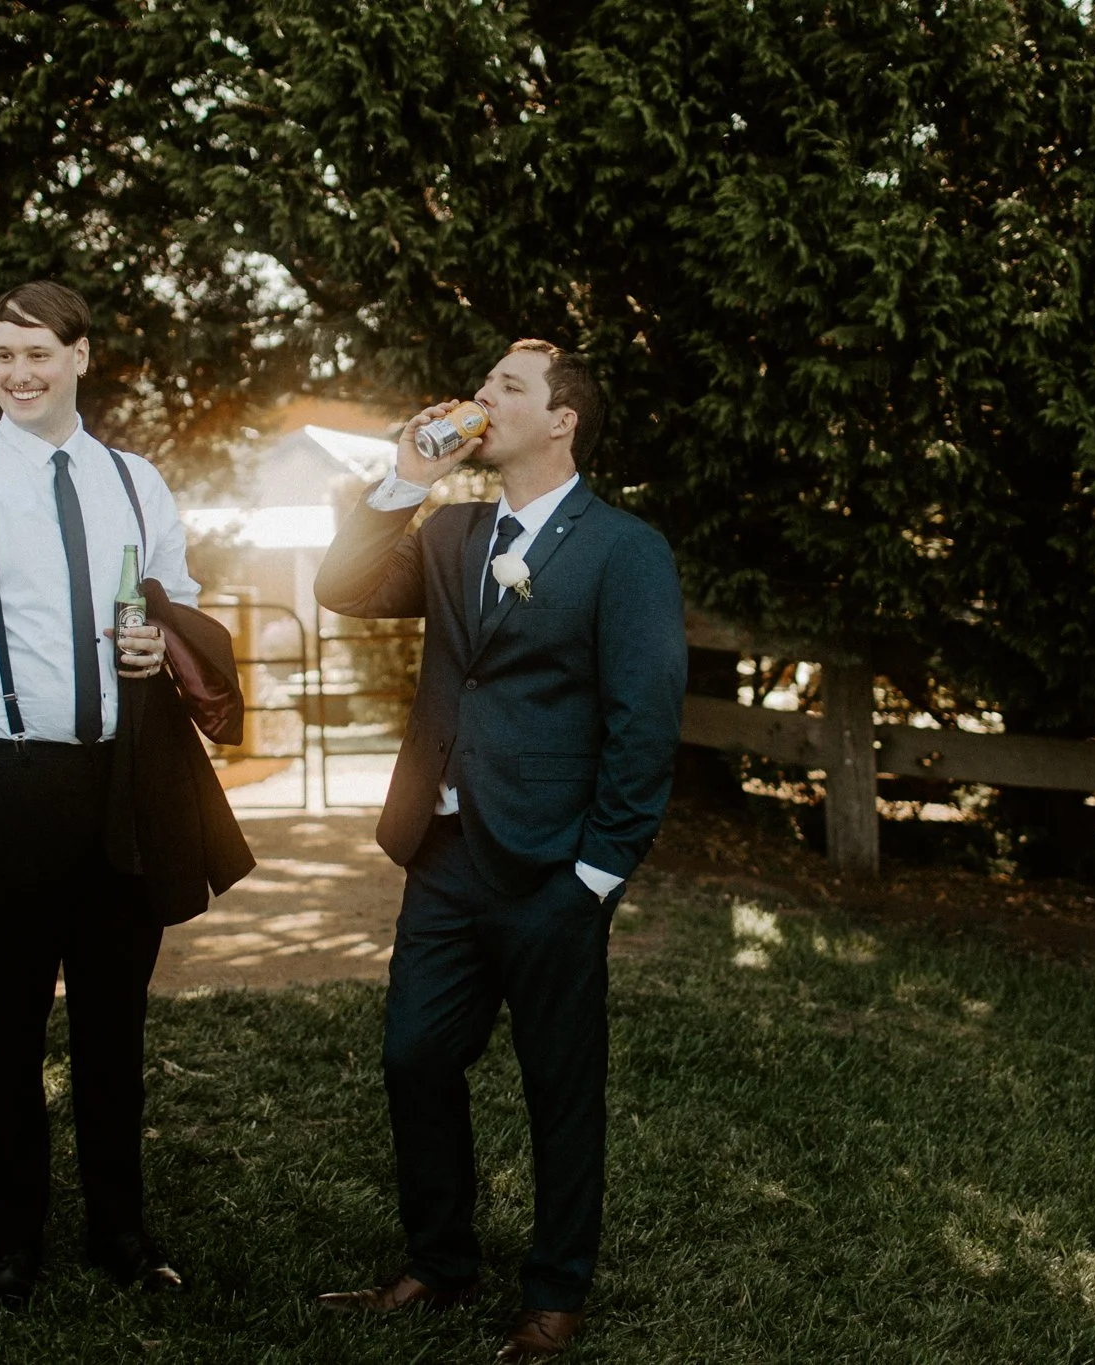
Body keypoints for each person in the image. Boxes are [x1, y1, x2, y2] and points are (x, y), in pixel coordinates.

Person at [312, 341, 688, 1362]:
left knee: (557, 1084)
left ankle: (554, 1293)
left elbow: (643, 721)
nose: (480, 399)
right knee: (412, 1058)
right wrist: (403, 478)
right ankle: (438, 1263)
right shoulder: (451, 532)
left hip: (551, 870)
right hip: (441, 855)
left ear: (560, 419)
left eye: (505, 389)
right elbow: (342, 586)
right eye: (479, 386)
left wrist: (594, 876)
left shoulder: (623, 549)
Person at [0, 280, 214, 1309]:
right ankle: (11, 1240)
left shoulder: (136, 478)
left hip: (120, 776)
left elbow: (178, 597)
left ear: (82, 356)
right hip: (3, 777)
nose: (18, 374)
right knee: (6, 1018)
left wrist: (156, 638)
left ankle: (120, 1230)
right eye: (1, 355)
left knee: (116, 1019)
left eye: (37, 353)